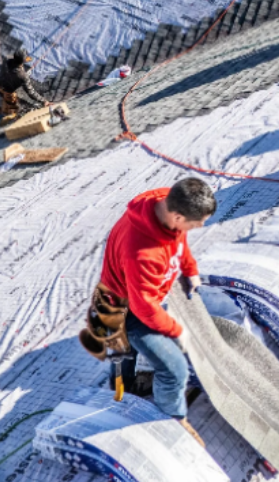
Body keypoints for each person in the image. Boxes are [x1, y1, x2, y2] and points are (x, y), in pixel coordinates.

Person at [93, 178, 217, 445]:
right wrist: (176, 331)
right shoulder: (142, 253)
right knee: (174, 370)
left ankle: (123, 383)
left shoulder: (165, 200)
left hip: (139, 297)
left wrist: (190, 269)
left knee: (127, 352)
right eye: (197, 223)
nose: (201, 227)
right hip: (124, 310)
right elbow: (143, 308)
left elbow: (179, 239)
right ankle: (173, 418)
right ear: (177, 216)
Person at [0, 50, 47, 135]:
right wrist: (44, 101)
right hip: (6, 94)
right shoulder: (22, 76)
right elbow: (31, 92)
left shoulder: (7, 60)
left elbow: (12, 69)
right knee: (10, 113)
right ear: (23, 61)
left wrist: (21, 70)